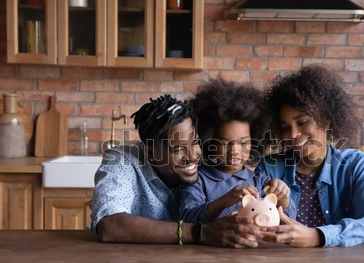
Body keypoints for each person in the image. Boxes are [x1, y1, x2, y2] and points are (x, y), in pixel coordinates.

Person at [90, 94, 261, 248]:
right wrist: (200, 232)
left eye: (195, 142)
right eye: (178, 149)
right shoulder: (123, 162)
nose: (193, 156)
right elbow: (109, 225)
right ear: (151, 153)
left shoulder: (212, 161)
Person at [256, 64, 364, 248]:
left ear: (326, 118)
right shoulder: (269, 167)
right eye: (285, 127)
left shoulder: (355, 165)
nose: (293, 134)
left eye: (302, 122)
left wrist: (318, 236)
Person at [179, 79, 295, 223]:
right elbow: (187, 217)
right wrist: (223, 202)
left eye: (244, 143)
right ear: (209, 142)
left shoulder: (260, 181)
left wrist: (283, 199)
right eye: (225, 142)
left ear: (255, 141)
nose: (235, 151)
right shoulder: (198, 180)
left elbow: (289, 220)